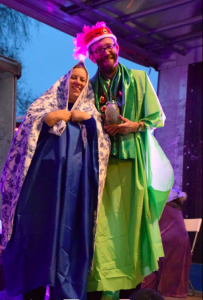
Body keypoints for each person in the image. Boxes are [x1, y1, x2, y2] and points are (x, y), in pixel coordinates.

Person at [74, 22, 174, 300]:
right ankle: (101, 288)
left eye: (109, 46)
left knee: (130, 230)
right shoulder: (89, 88)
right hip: (101, 171)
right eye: (99, 49)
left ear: (116, 48)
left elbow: (158, 118)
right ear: (92, 56)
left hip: (133, 168)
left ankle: (131, 289)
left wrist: (136, 125)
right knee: (102, 231)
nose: (106, 52)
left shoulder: (141, 79)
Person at [0, 63, 111, 300]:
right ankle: (33, 291)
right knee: (37, 235)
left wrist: (90, 123)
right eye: (74, 78)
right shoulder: (43, 106)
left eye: (83, 79)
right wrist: (47, 119)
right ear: (64, 80)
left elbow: (102, 149)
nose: (78, 82)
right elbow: (23, 141)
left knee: (68, 240)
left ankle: (66, 293)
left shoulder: (91, 113)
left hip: (75, 192)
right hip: (40, 190)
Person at [142, 188, 191, 298]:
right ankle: (172, 289)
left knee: (148, 247)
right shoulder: (177, 210)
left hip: (162, 240)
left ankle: (147, 287)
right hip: (181, 241)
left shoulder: (158, 203)